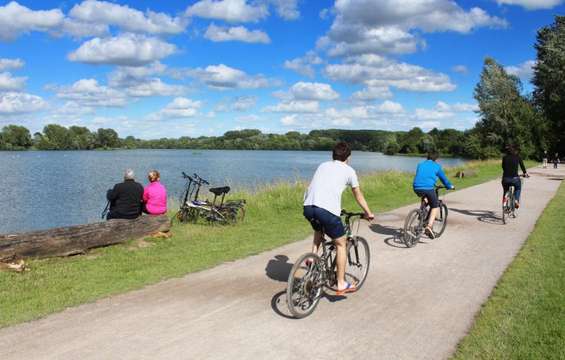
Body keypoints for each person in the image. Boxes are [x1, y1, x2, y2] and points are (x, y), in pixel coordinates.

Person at [303, 142, 374, 295]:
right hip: (326, 210)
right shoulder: (349, 171)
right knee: (341, 244)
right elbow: (358, 194)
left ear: (333, 155)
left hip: (308, 207)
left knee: (319, 229)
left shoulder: (322, 165)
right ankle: (341, 284)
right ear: (348, 157)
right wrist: (368, 212)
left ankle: (313, 257)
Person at [412, 151, 455, 239]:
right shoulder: (437, 166)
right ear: (436, 159)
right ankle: (429, 226)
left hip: (416, 187)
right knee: (435, 205)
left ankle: (422, 213)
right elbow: (444, 179)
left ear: (427, 157)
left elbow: (421, 176)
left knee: (425, 197)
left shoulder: (420, 164)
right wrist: (449, 186)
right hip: (428, 188)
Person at [502, 145, 529, 209]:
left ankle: (504, 202)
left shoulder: (504, 157)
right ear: (515, 151)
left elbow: (503, 167)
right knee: (518, 188)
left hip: (505, 178)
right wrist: (525, 173)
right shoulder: (518, 157)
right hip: (515, 179)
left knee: (505, 190)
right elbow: (522, 166)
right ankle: (516, 200)